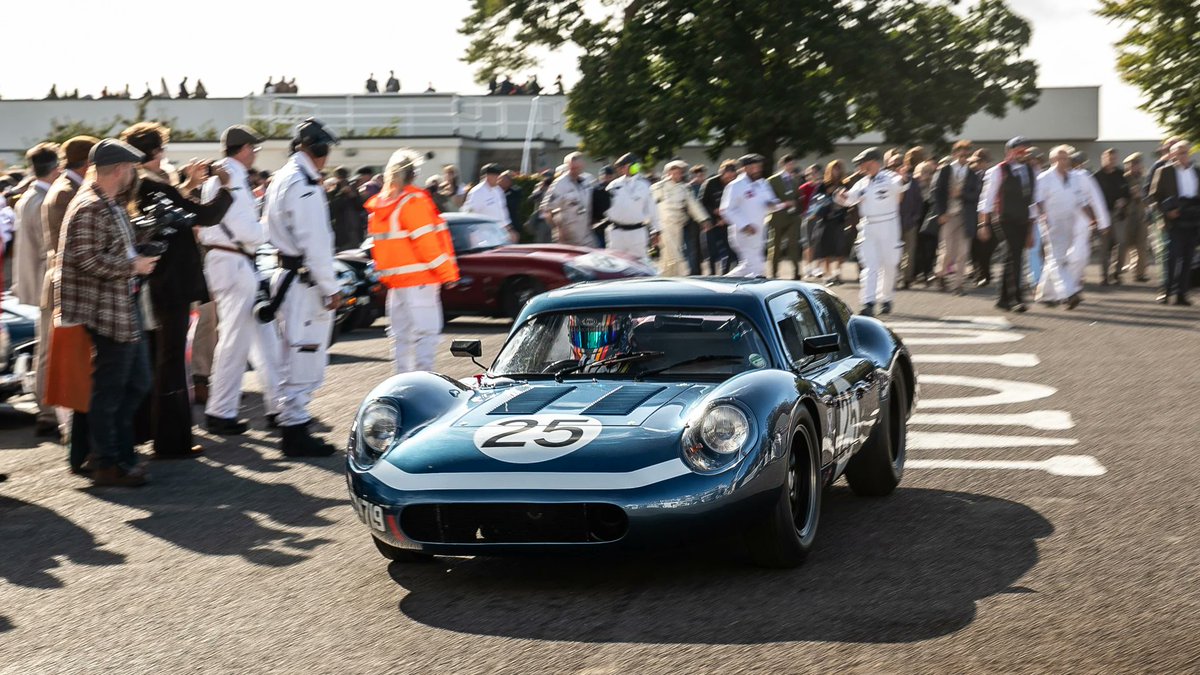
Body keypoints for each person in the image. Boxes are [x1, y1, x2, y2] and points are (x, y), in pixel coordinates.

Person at [120, 122, 233, 458]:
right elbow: (203, 215)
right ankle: (171, 441)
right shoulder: (154, 184)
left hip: (156, 281)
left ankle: (149, 431)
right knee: (170, 362)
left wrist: (187, 184)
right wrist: (226, 188)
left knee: (159, 357)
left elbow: (173, 213)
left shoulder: (141, 184)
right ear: (157, 152)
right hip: (172, 283)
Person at [58, 139, 158, 487]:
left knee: (136, 384)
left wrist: (142, 244)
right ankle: (107, 461)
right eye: (131, 169)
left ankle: (117, 454)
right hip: (106, 311)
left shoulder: (107, 203)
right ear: (119, 169)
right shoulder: (90, 206)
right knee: (112, 390)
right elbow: (87, 259)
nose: (133, 175)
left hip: (119, 307)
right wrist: (133, 264)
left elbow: (109, 249)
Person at [261, 118, 343, 456]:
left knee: (290, 353)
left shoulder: (283, 177)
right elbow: (316, 242)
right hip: (303, 281)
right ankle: (294, 428)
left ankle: (292, 422)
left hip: (288, 276)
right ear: (318, 150)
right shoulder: (303, 183)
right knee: (305, 353)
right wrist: (331, 286)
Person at [199, 125, 283, 434]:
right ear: (245, 149)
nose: (255, 154)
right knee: (235, 342)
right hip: (234, 262)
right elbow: (248, 231)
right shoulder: (232, 177)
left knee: (263, 338)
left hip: (232, 262)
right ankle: (221, 412)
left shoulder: (221, 176)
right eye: (254, 149)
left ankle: (279, 405)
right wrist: (269, 225)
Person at [364, 148, 461, 373]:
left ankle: (402, 385)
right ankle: (422, 387)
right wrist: (448, 274)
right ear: (414, 174)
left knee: (401, 338)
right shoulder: (413, 202)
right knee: (426, 335)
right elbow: (427, 244)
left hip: (397, 283)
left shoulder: (382, 204)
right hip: (421, 280)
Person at [42, 136, 97, 458]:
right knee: (75, 371)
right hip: (70, 287)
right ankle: (77, 444)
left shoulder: (65, 188)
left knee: (76, 369)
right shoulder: (66, 192)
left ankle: (78, 443)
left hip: (67, 285)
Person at [13, 143, 61, 435]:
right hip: (46, 279)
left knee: (47, 346)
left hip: (36, 279)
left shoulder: (30, 196)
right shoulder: (42, 199)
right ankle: (48, 410)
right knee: (48, 347)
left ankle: (48, 409)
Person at [835, 148, 905, 315]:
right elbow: (850, 200)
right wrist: (842, 197)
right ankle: (868, 302)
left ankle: (886, 298)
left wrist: (903, 179)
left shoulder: (890, 177)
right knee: (869, 265)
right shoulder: (862, 182)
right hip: (868, 226)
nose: (860, 166)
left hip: (888, 224)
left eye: (862, 162)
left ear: (873, 162)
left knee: (889, 264)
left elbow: (900, 186)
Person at [1035, 146, 1100, 309]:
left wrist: (1092, 219)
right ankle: (1068, 293)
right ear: (1053, 160)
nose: (1065, 161)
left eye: (1066, 158)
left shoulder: (1073, 178)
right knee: (1057, 259)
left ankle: (1046, 294)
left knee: (1057, 258)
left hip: (1070, 222)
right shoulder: (1044, 178)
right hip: (1052, 222)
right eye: (1061, 158)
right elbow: (1038, 200)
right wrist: (1043, 216)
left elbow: (1081, 201)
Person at [978, 137, 1037, 312]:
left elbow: (1032, 200)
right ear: (1009, 152)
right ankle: (1016, 298)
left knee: (1010, 257)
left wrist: (1032, 227)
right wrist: (984, 224)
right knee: (1015, 256)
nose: (1023, 154)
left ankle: (1003, 299)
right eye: (1020, 150)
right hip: (1004, 219)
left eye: (1026, 150)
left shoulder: (1030, 170)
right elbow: (986, 200)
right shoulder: (998, 170)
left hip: (1023, 219)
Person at [1149, 140, 1200, 305]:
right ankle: (1166, 291)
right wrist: (1167, 211)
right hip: (1174, 219)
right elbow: (1154, 196)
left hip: (1192, 219)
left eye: (1185, 152)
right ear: (1172, 154)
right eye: (1179, 153)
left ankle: (1182, 294)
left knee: (1188, 258)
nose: (1182, 156)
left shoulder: (1197, 171)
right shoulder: (1164, 171)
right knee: (1172, 257)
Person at [930, 140, 981, 295]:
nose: (964, 156)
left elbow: (975, 195)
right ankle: (940, 275)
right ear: (954, 154)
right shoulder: (945, 170)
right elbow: (936, 192)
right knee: (947, 251)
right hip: (948, 216)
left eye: (966, 154)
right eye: (961, 153)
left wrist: (962, 194)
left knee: (963, 252)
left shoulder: (972, 174)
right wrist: (941, 213)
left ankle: (958, 285)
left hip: (966, 217)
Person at [720, 154, 777, 278]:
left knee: (748, 266)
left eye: (759, 167)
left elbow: (772, 201)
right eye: (753, 167)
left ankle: (723, 283)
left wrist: (773, 204)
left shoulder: (762, 183)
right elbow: (726, 209)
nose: (757, 170)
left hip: (759, 230)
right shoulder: (736, 185)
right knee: (758, 268)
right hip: (743, 232)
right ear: (745, 168)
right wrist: (744, 225)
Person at [651, 160, 710, 276]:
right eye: (675, 172)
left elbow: (693, 205)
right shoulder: (658, 187)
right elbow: (650, 207)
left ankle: (667, 279)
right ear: (668, 173)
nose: (678, 175)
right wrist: (652, 229)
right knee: (671, 255)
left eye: (680, 172)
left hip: (677, 226)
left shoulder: (684, 189)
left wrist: (704, 219)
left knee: (672, 255)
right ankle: (666, 278)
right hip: (663, 226)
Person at [605, 153, 657, 263]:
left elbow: (653, 209)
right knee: (616, 263)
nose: (622, 170)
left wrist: (656, 230)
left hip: (637, 232)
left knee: (640, 263)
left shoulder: (644, 185)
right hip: (617, 232)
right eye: (621, 167)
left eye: (624, 166)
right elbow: (605, 206)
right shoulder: (613, 185)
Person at [766, 154, 808, 280]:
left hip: (793, 217)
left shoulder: (795, 180)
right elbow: (768, 199)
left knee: (793, 244)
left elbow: (797, 196)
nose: (791, 166)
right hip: (777, 217)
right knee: (775, 246)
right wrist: (783, 204)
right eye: (789, 164)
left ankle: (796, 272)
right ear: (783, 165)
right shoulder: (772, 180)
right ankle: (773, 272)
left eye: (793, 164)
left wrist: (799, 202)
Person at [542, 152, 596, 248]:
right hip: (568, 238)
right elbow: (546, 210)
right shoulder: (560, 184)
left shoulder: (586, 182)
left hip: (586, 235)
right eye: (572, 168)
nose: (575, 170)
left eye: (578, 167)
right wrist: (557, 230)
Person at [1093, 149, 1130, 285]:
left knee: (1122, 243)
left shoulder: (1121, 174)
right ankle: (1104, 276)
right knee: (1104, 245)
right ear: (1103, 159)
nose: (1111, 161)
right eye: (1109, 158)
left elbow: (1128, 193)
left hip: (1118, 214)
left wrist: (1124, 200)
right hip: (1103, 214)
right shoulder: (1096, 177)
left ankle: (1117, 273)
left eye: (1114, 158)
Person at [810, 160, 850, 285]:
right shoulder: (823, 184)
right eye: (834, 168)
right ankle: (827, 275)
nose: (836, 171)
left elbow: (849, 200)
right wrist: (827, 194)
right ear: (829, 170)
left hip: (839, 220)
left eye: (838, 168)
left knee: (840, 248)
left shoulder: (844, 184)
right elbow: (815, 200)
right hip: (825, 221)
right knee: (825, 248)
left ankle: (837, 273)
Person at [967, 148, 996, 286]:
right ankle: (978, 272)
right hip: (972, 214)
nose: (977, 164)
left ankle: (984, 274)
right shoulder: (970, 175)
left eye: (979, 162)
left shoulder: (991, 175)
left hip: (988, 215)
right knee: (974, 246)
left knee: (986, 247)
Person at [1122, 153, 1152, 282]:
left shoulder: (1145, 179)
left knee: (1141, 246)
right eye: (1132, 164)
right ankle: (1116, 271)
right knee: (1123, 244)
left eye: (1137, 163)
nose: (1135, 166)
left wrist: (1142, 196)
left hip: (1141, 216)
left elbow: (1150, 196)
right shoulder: (1124, 179)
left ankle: (1140, 273)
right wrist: (1130, 195)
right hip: (1126, 216)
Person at [463, 163, 514, 237]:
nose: (499, 179)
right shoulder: (477, 192)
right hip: (483, 234)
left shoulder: (498, 190)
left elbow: (502, 211)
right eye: (497, 176)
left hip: (499, 233)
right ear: (488, 176)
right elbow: (470, 214)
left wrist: (509, 229)